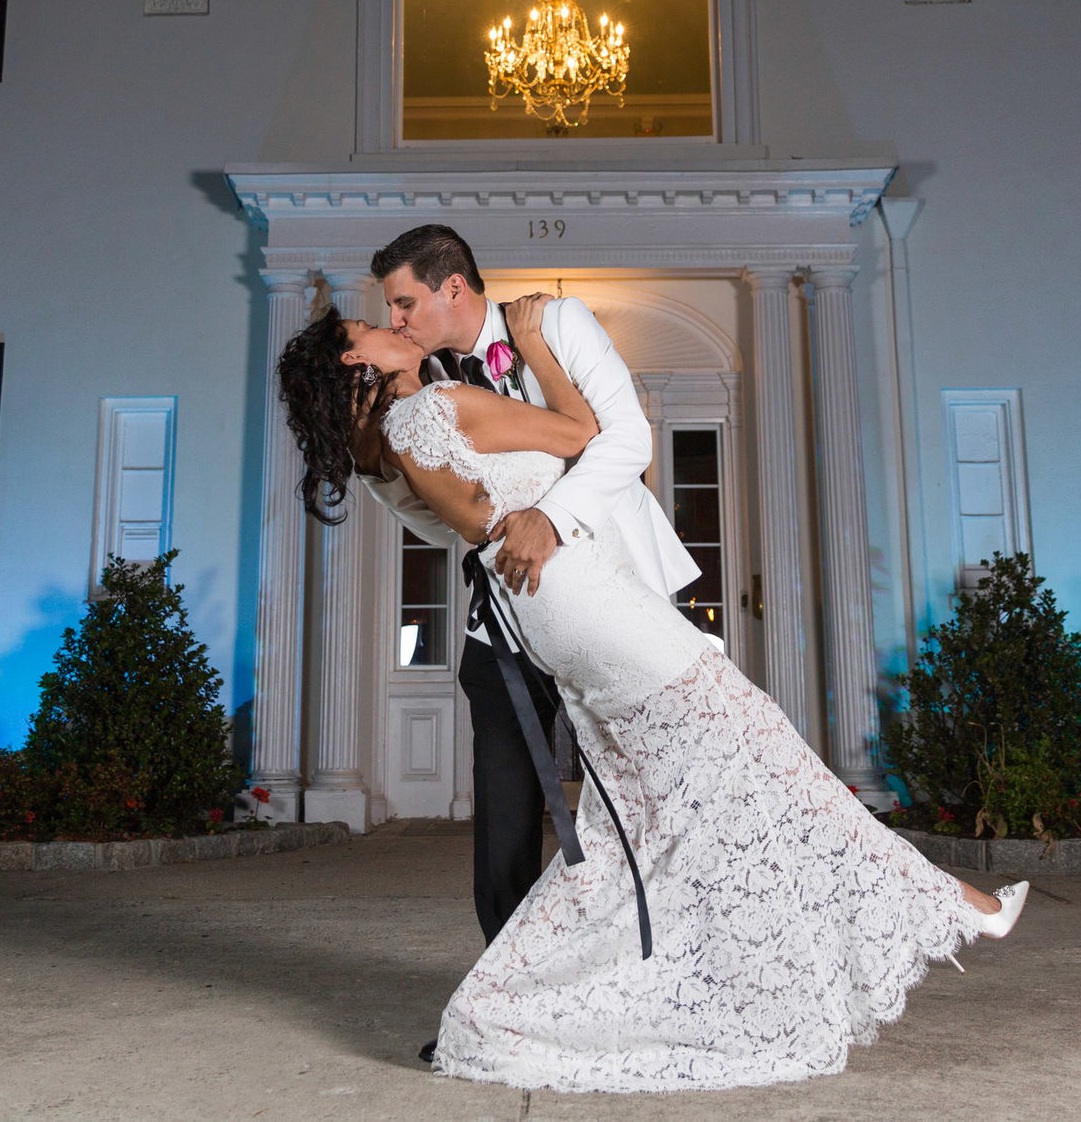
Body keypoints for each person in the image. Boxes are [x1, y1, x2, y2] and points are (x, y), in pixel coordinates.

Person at [275, 278, 1029, 1094]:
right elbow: (582, 432)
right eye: (370, 325)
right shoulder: (438, 408)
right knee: (758, 744)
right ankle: (953, 902)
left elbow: (478, 515)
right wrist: (537, 349)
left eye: (394, 308)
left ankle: (514, 1001)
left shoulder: (390, 443)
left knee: (647, 809)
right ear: (352, 362)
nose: (390, 323)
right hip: (585, 598)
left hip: (547, 605)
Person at [358, 224, 697, 950]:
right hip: (505, 611)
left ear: (453, 287)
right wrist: (380, 472)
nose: (396, 320)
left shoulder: (555, 323)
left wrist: (551, 517)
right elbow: (446, 522)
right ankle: (507, 975)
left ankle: (652, 953)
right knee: (504, 797)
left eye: (404, 302)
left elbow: (626, 437)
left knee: (641, 783)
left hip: (605, 590)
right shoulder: (422, 383)